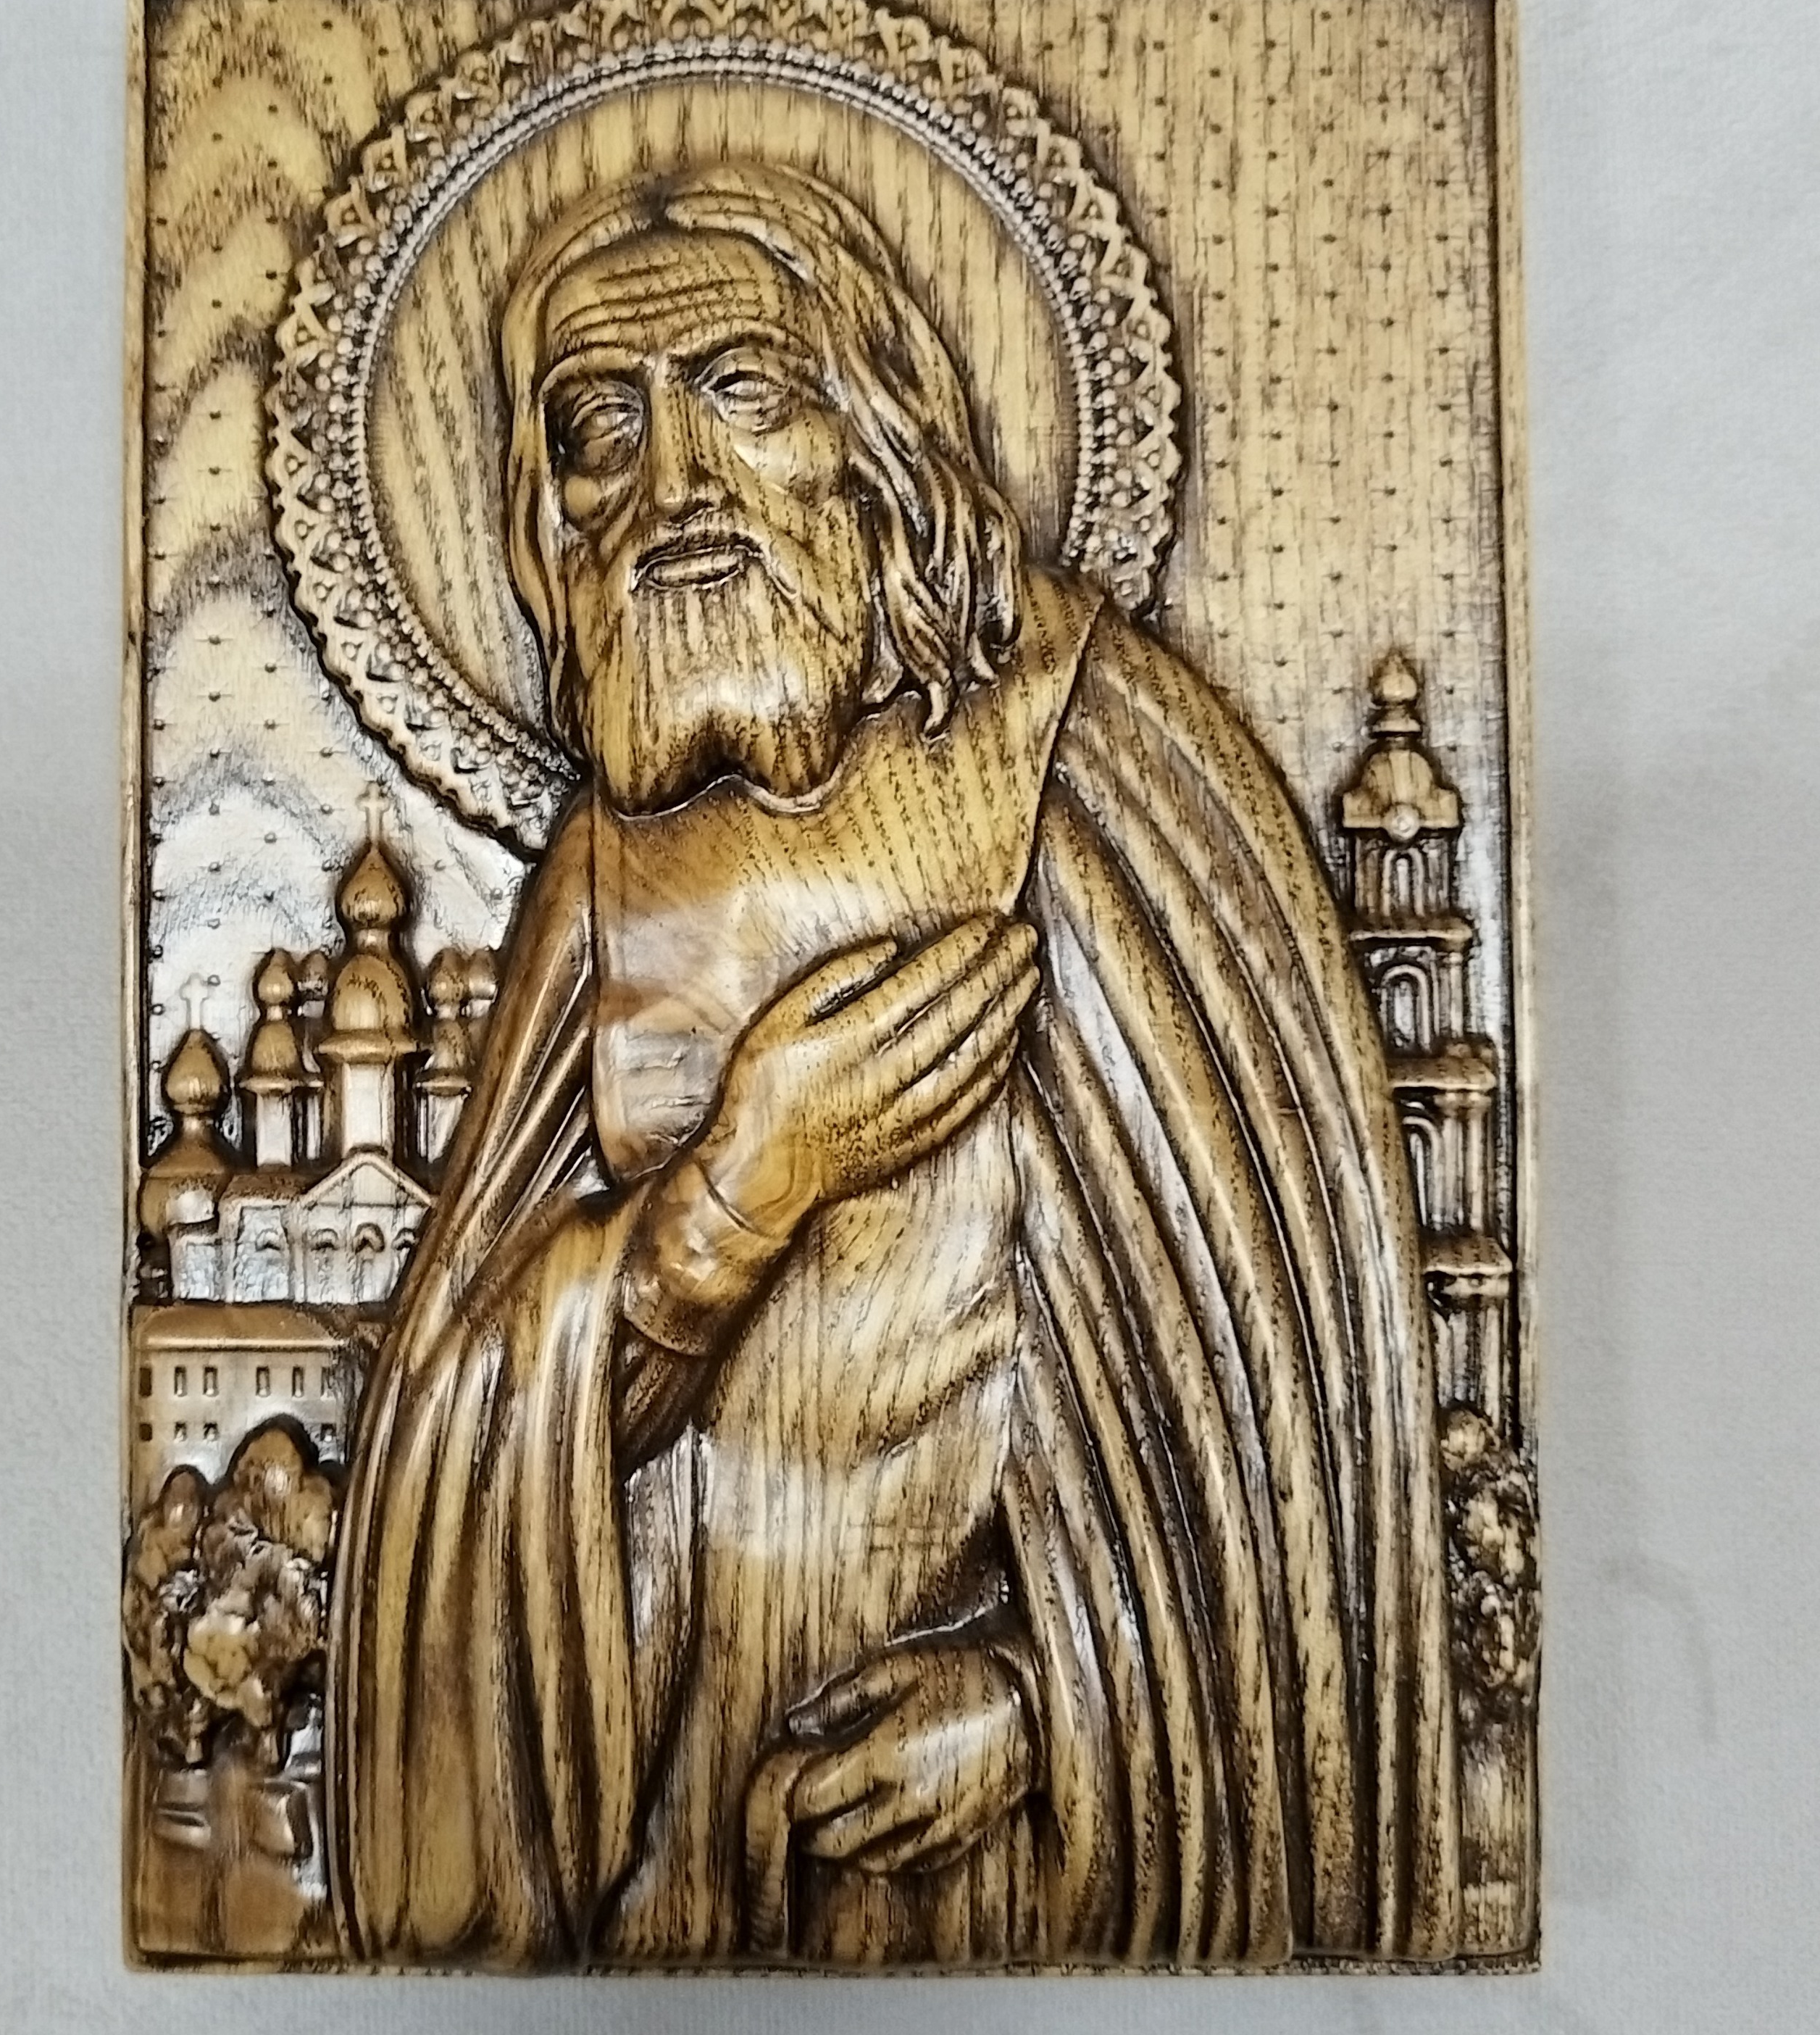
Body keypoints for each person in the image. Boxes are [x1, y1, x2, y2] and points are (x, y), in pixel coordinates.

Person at [327, 161, 1461, 1968]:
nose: (673, 488)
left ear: (876, 436)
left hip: (1002, 1887)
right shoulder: (599, 876)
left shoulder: (1102, 768)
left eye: (741, 392)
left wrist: (1049, 1699)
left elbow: (1287, 1430)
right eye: (602, 429)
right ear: (546, 523)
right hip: (667, 1872)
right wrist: (732, 1198)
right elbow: (453, 1445)